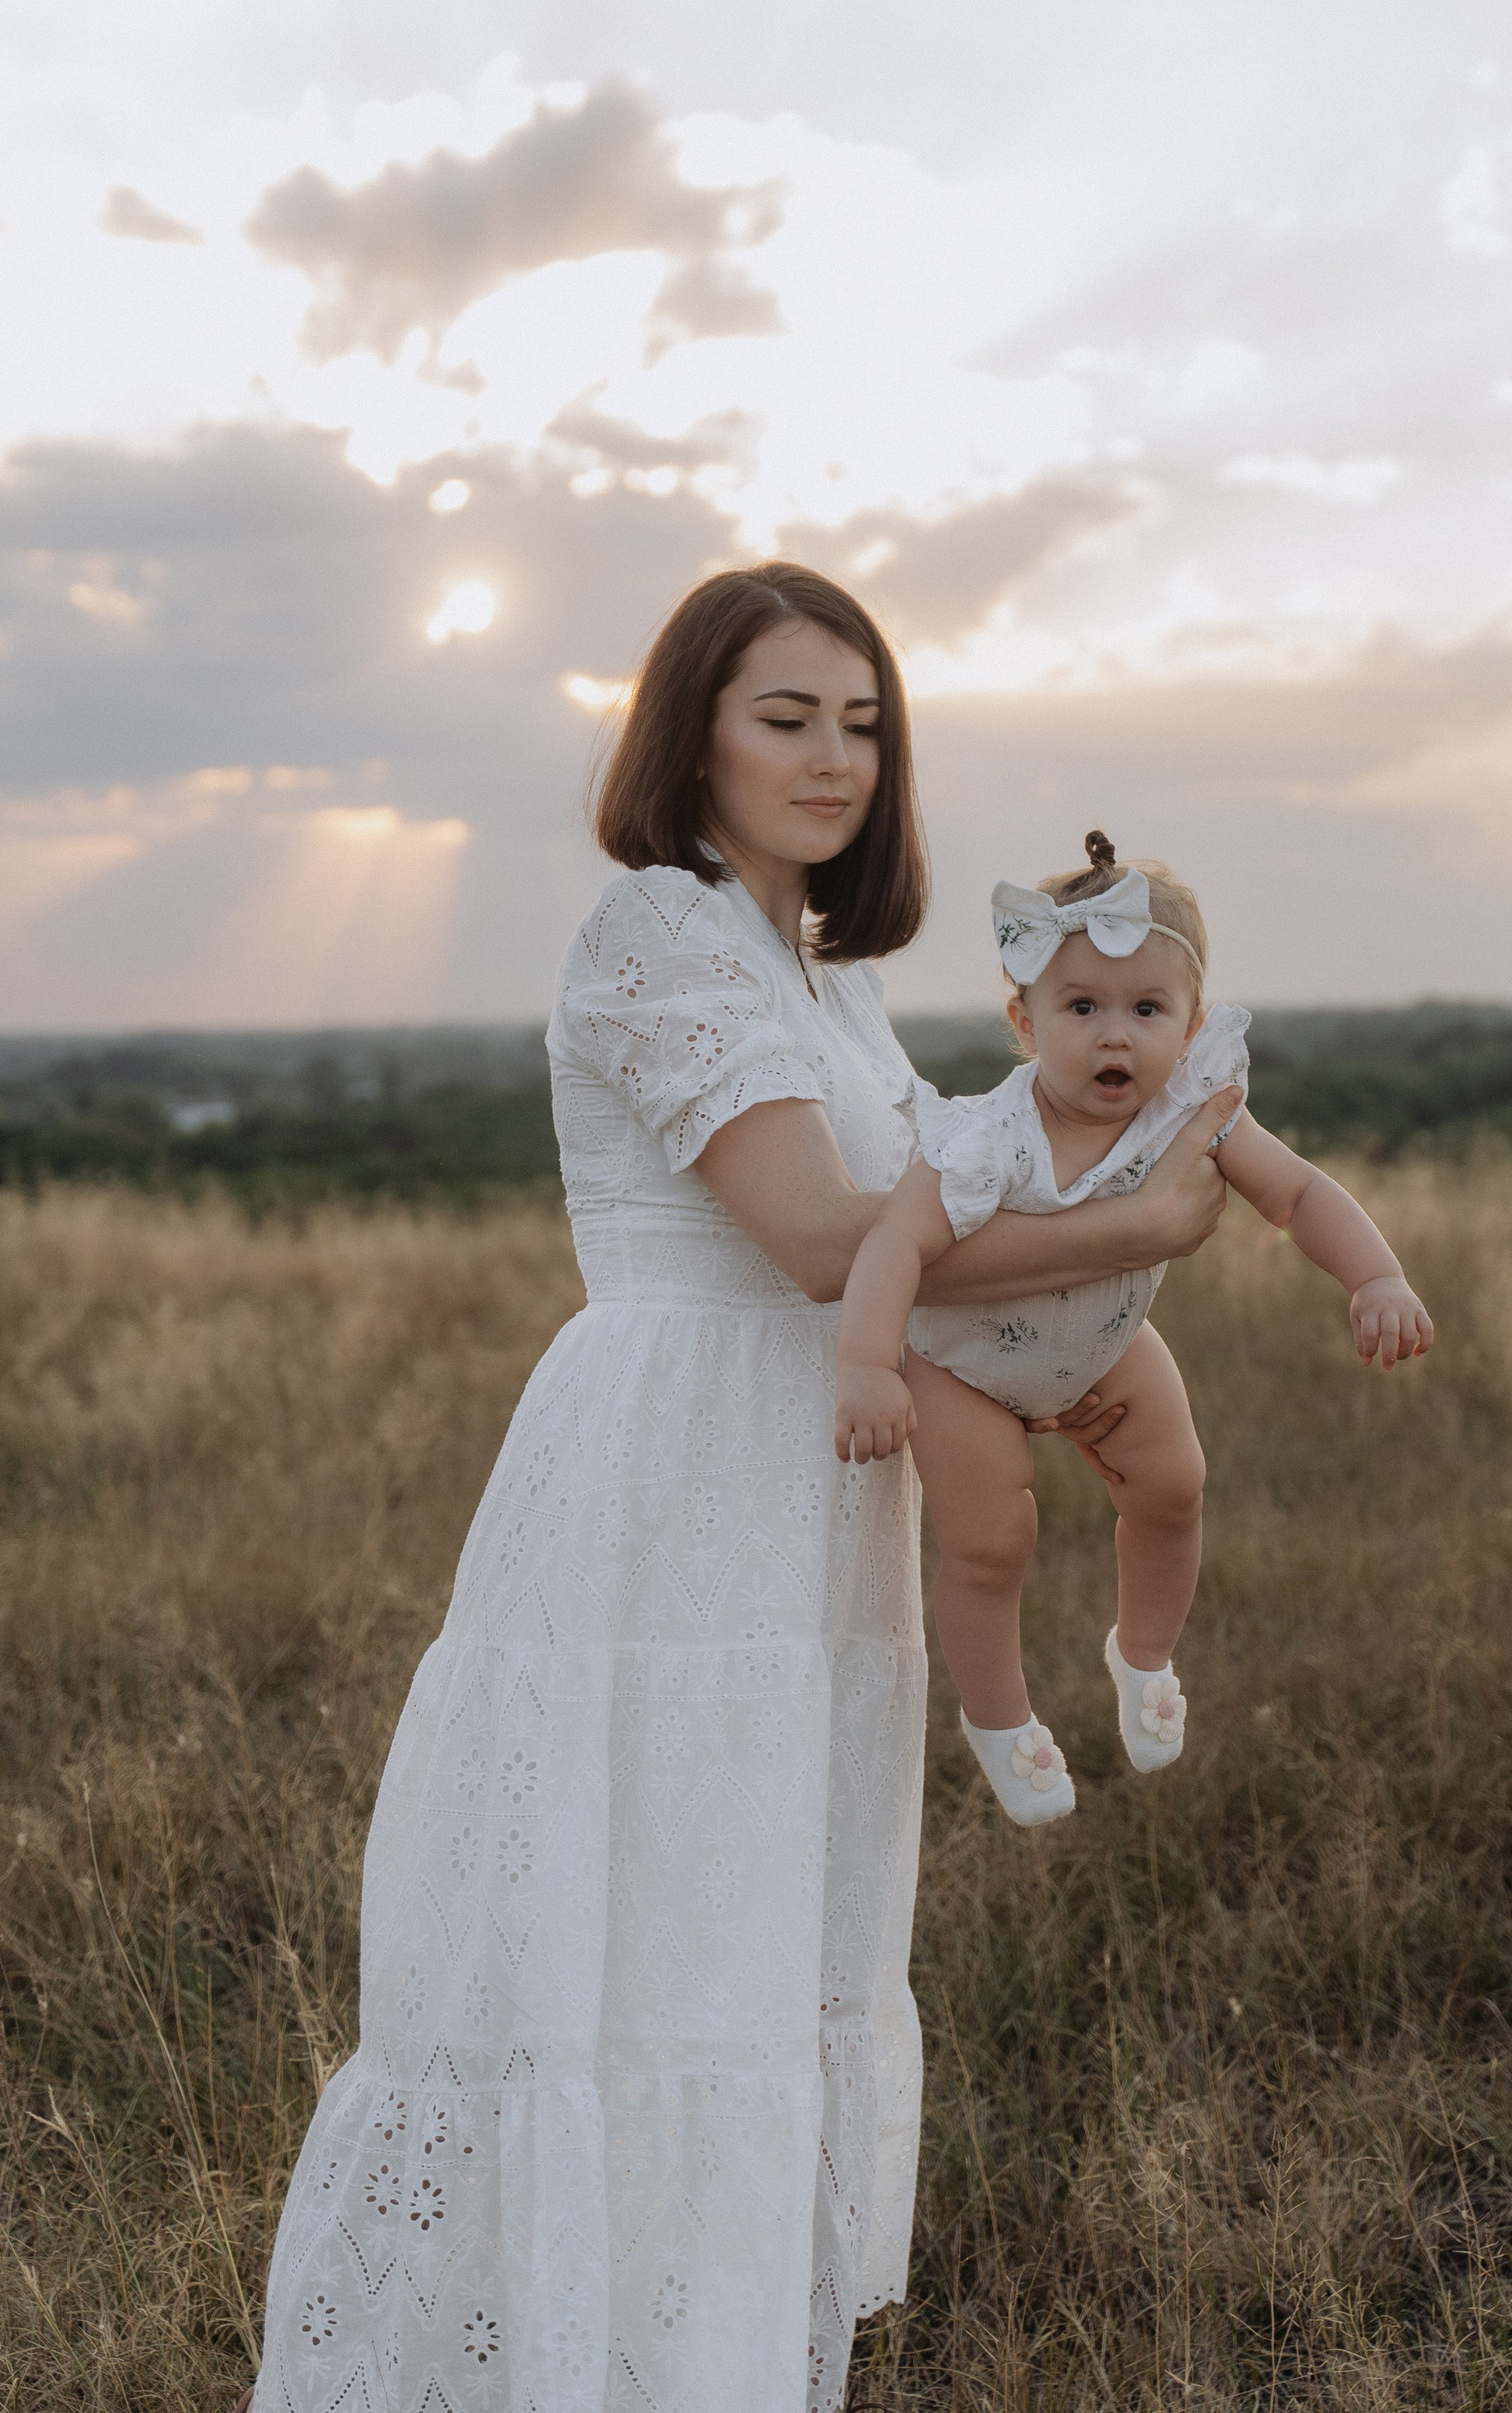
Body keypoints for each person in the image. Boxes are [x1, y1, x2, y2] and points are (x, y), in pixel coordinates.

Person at [243, 571, 1237, 2413]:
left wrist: (1088, 1332)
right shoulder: (660, 931)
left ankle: (690, 2359)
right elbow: (810, 1238)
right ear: (687, 725)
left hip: (814, 1493)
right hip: (670, 1472)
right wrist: (1146, 1225)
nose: (833, 757)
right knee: (626, 1939)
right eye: (785, 715)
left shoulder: (826, 973)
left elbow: (958, 1211)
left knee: (745, 1935)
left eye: (862, 723)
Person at [834, 832, 1434, 1828]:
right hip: (964, 1368)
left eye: (1146, 1011)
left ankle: (1143, 1653)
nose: (1116, 1038)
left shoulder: (1191, 1114)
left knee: (1174, 1486)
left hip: (1107, 1346)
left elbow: (1296, 1190)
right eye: (1082, 1009)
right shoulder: (988, 1140)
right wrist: (865, 1364)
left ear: (1191, 1025)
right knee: (991, 1541)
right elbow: (894, 1244)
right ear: (1025, 1022)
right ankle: (1001, 1719)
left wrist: (1374, 1274)